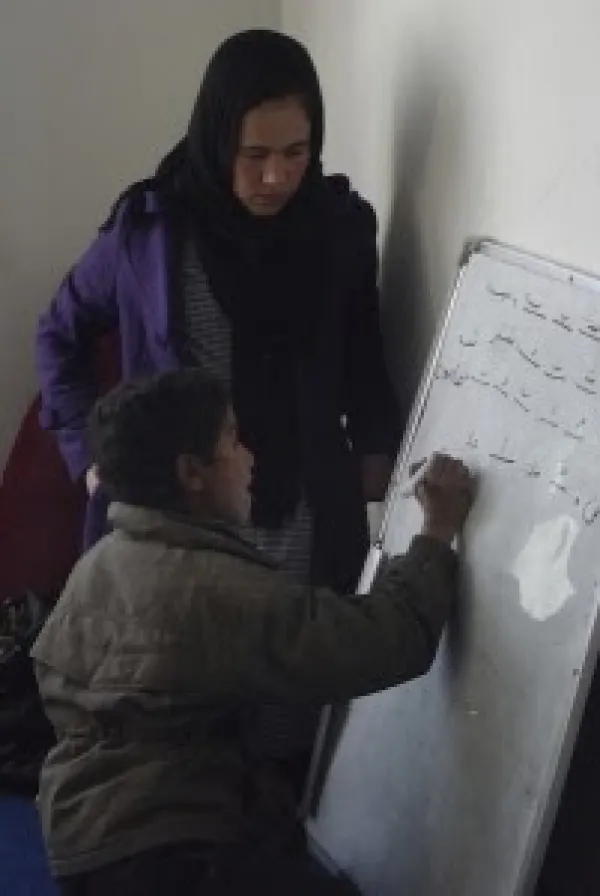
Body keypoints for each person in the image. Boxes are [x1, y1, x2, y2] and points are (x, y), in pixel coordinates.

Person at [31, 369, 475, 896]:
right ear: (192, 472)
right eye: (233, 440)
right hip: (164, 856)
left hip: (82, 840)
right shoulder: (213, 588)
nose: (249, 458)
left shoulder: (101, 561)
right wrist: (437, 531)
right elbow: (385, 642)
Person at [35, 28, 401, 596]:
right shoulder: (151, 233)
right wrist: (89, 455)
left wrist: (377, 455)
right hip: (176, 534)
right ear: (216, 138)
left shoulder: (338, 231)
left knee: (298, 652)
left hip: (307, 534)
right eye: (254, 155)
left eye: (295, 153)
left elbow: (363, 359)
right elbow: (60, 334)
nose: (276, 177)